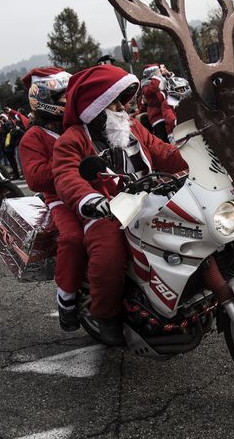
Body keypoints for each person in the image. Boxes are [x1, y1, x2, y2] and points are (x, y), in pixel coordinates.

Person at [53, 64, 188, 345]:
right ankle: (106, 314)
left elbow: (163, 152)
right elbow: (66, 175)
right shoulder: (72, 139)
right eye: (113, 103)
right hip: (109, 209)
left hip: (151, 197)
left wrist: (196, 156)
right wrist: (91, 200)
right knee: (109, 252)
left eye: (122, 102)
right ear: (95, 106)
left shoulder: (133, 126)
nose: (122, 109)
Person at [18, 67, 87, 332]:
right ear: (44, 100)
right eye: (62, 97)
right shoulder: (33, 137)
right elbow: (35, 178)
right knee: (72, 238)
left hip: (95, 189)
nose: (69, 100)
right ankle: (66, 298)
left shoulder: (78, 124)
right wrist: (71, 165)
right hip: (60, 198)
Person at [140, 63, 177, 142]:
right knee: (163, 138)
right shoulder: (146, 85)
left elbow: (173, 84)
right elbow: (154, 88)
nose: (160, 72)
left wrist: (168, 74)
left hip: (168, 111)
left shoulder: (160, 80)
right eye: (157, 71)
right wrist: (157, 76)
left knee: (175, 132)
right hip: (157, 116)